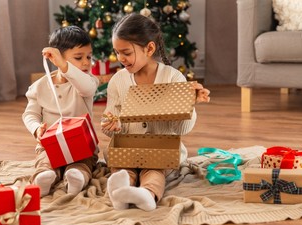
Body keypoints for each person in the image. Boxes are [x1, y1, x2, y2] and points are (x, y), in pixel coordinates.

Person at [101, 13, 210, 211]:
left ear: (149, 48)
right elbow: (110, 125)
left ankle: (147, 194)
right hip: (128, 149)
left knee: (154, 170)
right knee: (122, 168)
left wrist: (189, 106)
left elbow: (181, 128)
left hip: (161, 151)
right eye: (117, 52)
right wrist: (110, 125)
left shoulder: (172, 78)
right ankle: (121, 193)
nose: (120, 58)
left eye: (126, 52)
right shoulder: (118, 81)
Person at [22, 26, 99, 197]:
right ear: (56, 58)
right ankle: (44, 177)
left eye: (89, 56)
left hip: (82, 145)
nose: (86, 62)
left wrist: (65, 66)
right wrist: (36, 128)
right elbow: (30, 114)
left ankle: (76, 178)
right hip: (51, 144)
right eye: (79, 57)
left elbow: (87, 89)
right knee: (45, 160)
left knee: (82, 163)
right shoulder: (39, 86)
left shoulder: (88, 81)